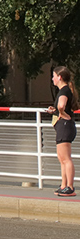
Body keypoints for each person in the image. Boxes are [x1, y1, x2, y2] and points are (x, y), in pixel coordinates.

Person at [47, 65, 75, 197]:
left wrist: (61, 112)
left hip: (65, 125)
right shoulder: (63, 91)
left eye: (53, 76)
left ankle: (70, 186)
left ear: (59, 77)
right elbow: (60, 107)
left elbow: (62, 105)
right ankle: (64, 185)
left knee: (66, 158)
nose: (52, 79)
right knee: (62, 158)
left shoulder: (64, 91)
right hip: (63, 126)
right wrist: (55, 111)